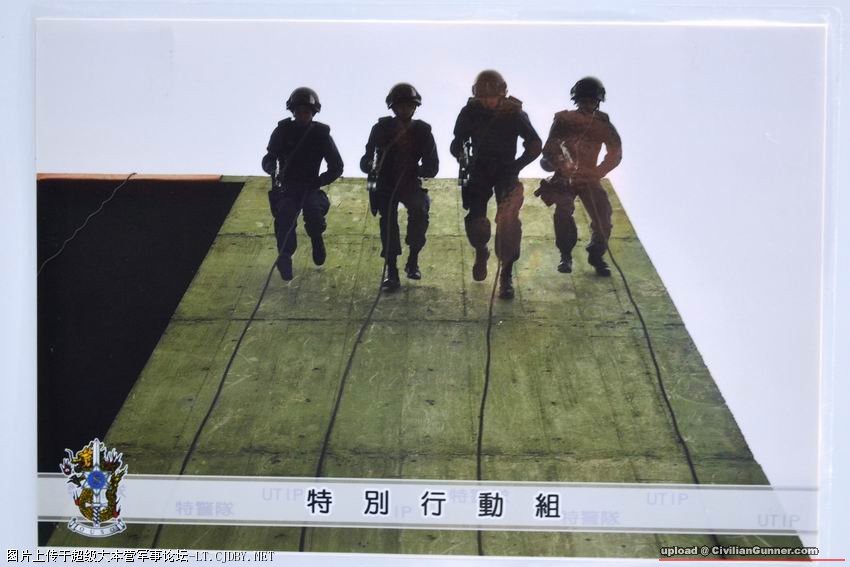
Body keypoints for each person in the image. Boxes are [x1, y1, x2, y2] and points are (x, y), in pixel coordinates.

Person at [450, 69, 542, 299]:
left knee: (509, 222)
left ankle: (506, 274)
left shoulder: (514, 113)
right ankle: (481, 251)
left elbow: (534, 143)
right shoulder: (470, 112)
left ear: (501, 94)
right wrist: (463, 157)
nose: (488, 101)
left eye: (492, 97)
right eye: (484, 97)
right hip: (479, 170)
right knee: (477, 222)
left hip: (505, 170)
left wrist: (517, 166)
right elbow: (457, 142)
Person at [536, 76, 622, 277]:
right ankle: (565, 255)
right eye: (584, 101)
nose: (588, 105)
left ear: (598, 102)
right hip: (564, 177)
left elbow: (615, 152)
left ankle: (596, 255)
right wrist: (561, 164)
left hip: (589, 176)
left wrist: (597, 172)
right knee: (563, 212)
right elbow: (549, 149)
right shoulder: (564, 120)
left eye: (592, 101)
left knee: (604, 217)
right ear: (577, 101)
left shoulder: (602, 124)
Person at [360, 83, 439, 291]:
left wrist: (416, 170)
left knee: (420, 212)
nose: (404, 109)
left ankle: (413, 260)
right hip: (386, 182)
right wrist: (371, 165)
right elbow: (366, 158)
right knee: (388, 222)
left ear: (415, 107)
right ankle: (391, 269)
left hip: (410, 182)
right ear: (393, 107)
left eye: (409, 105)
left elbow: (432, 166)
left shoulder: (422, 131)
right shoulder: (381, 128)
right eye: (400, 106)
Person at [261, 87, 344, 281]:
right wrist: (274, 170)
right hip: (287, 187)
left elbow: (337, 166)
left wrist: (320, 180)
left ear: (313, 113)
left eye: (306, 112)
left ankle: (316, 239)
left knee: (314, 212)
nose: (302, 115)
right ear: (293, 112)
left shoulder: (321, 134)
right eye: (298, 112)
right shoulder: (283, 131)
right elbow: (268, 159)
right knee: (285, 217)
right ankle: (285, 256)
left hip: (310, 186)